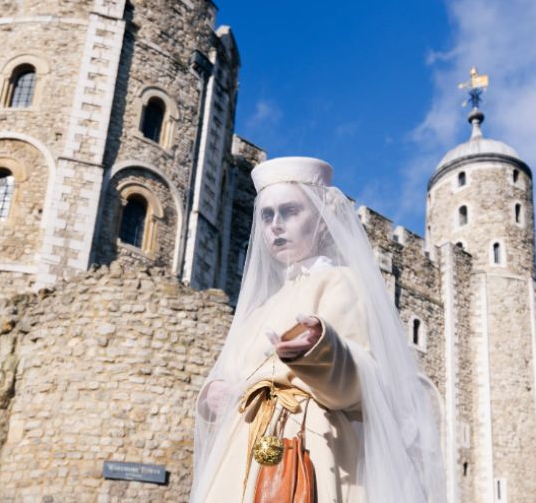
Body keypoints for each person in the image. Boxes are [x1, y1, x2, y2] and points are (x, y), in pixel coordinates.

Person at [190, 157, 446, 502]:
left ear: (322, 222)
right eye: (267, 215)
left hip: (311, 444)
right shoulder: (258, 310)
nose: (276, 225)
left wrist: (322, 352)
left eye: (290, 211)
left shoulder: (340, 282)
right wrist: (216, 394)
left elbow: (360, 382)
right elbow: (229, 376)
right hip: (243, 451)